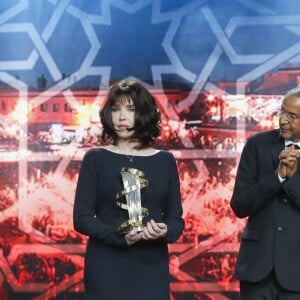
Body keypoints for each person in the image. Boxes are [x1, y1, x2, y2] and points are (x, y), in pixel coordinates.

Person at [73, 80, 184, 300]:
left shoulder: (165, 161)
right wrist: (118, 237)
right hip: (105, 266)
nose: (121, 117)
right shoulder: (95, 158)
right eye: (116, 109)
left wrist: (164, 231)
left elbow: (176, 221)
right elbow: (82, 218)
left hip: (151, 267)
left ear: (144, 114)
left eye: (130, 109)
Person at [230, 86, 300, 299]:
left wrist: (290, 180)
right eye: (281, 112)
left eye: (292, 116)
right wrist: (277, 177)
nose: (283, 120)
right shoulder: (257, 145)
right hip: (256, 270)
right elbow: (240, 205)